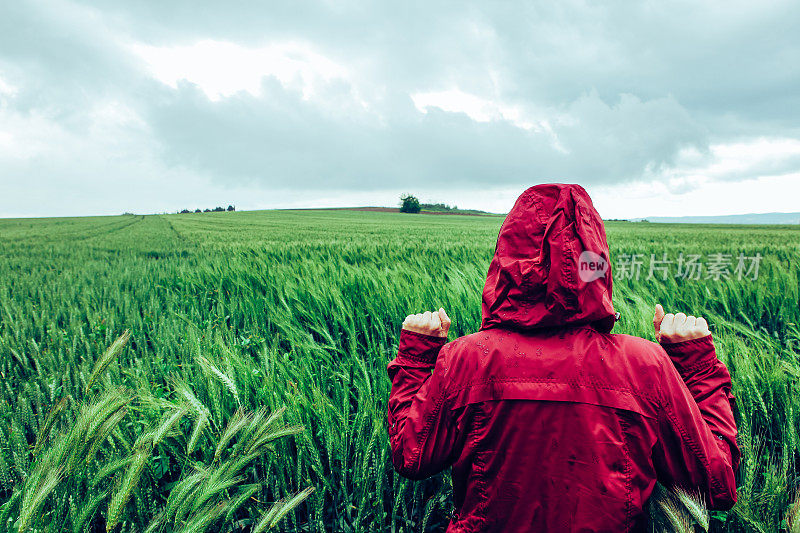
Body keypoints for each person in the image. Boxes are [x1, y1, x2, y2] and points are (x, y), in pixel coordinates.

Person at [386, 183, 740, 532]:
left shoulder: (465, 359)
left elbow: (411, 456)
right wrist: (696, 365)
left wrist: (418, 354)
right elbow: (717, 486)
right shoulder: (645, 365)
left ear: (507, 259)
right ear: (598, 265)